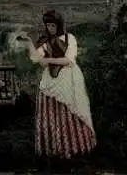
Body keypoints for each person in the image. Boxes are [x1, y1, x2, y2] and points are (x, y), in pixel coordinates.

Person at [17, 10, 96, 171]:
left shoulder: (69, 38)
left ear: (59, 25)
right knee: (51, 111)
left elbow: (68, 59)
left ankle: (73, 148)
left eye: (53, 25)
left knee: (71, 110)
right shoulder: (45, 41)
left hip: (68, 78)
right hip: (51, 79)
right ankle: (54, 149)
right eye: (48, 25)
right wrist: (30, 43)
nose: (51, 28)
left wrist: (48, 59)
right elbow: (37, 60)